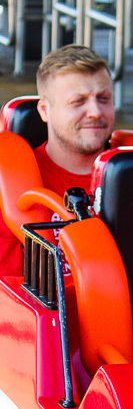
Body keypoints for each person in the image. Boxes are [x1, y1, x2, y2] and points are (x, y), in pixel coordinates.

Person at [0, 44, 115, 275]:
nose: (95, 112)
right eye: (78, 101)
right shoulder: (7, 186)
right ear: (44, 110)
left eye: (103, 98)